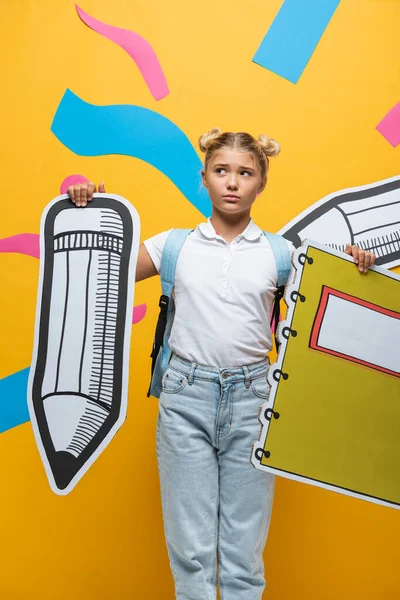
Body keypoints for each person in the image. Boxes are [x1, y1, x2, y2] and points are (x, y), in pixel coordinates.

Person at [67, 128, 376, 600]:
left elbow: (327, 304)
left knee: (243, 553)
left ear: (261, 183)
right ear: (205, 179)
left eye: (245, 173)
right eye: (221, 171)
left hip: (255, 402)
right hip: (184, 397)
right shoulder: (173, 245)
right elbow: (102, 265)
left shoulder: (281, 253)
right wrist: (92, 211)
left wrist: (355, 262)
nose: (233, 182)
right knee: (189, 549)